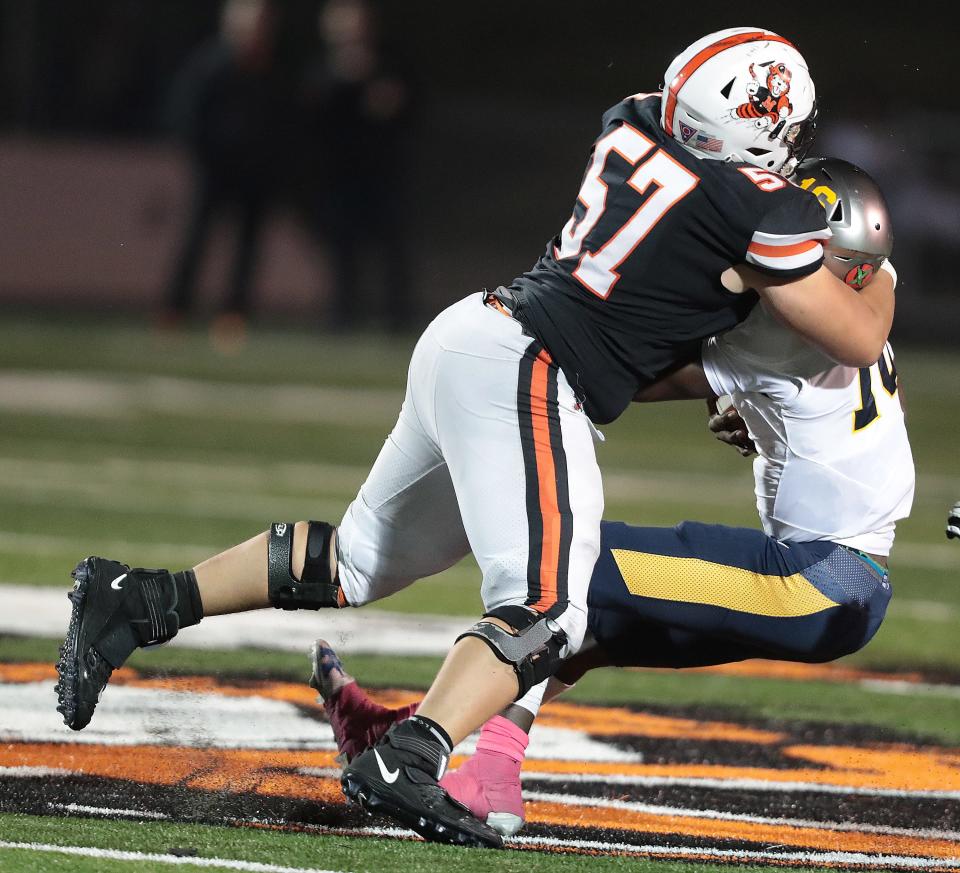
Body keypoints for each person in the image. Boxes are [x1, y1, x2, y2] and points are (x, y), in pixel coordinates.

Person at [56, 28, 895, 849]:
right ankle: (413, 756)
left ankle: (136, 599)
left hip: (472, 333)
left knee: (354, 561)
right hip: (532, 373)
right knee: (549, 609)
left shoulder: (632, 119)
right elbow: (856, 336)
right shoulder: (760, 207)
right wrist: (878, 271)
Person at [306, 157, 914, 836]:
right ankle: (453, 752)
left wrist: (545, 335)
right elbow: (848, 316)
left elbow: (624, 373)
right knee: (589, 624)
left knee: (566, 572)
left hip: (819, 579)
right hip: (847, 583)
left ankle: (439, 747)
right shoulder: (863, 291)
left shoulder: (775, 332)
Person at [158, 0, 292, 345]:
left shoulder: (272, 68)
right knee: (197, 242)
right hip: (215, 171)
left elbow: (284, 122)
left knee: (247, 249)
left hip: (256, 174)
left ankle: (233, 316)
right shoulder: (210, 65)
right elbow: (187, 115)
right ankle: (174, 310)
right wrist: (204, 157)